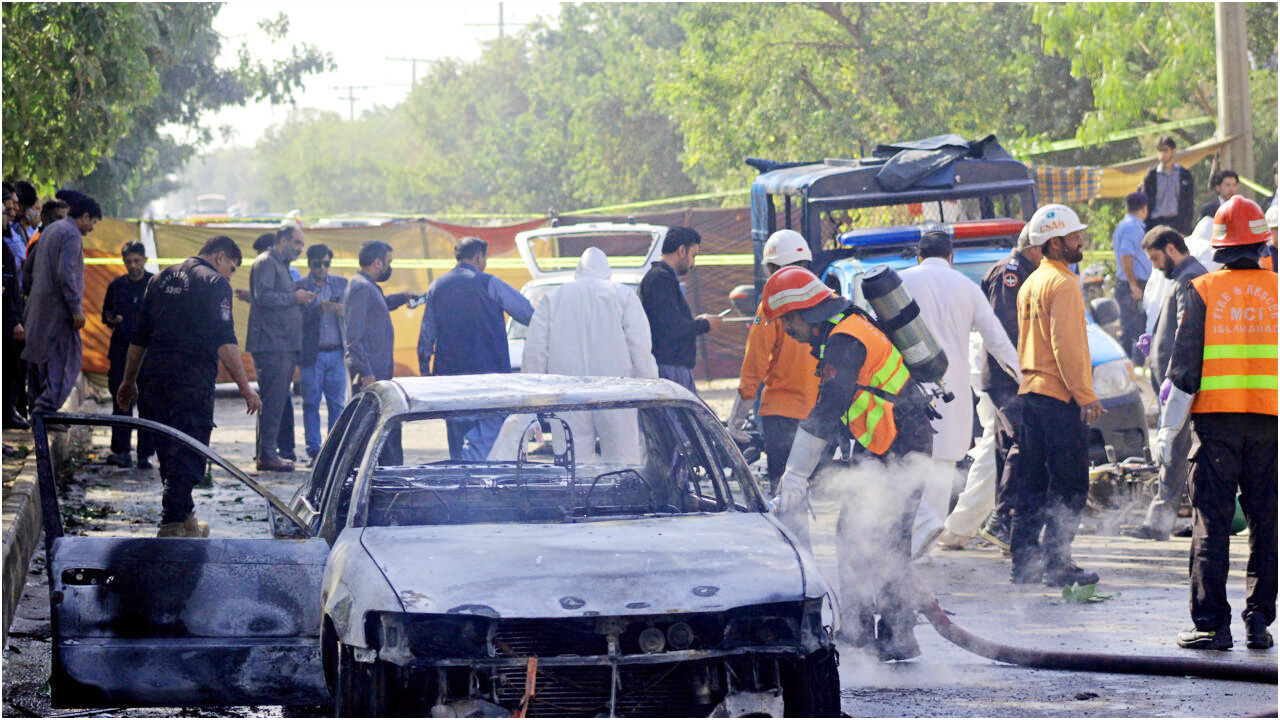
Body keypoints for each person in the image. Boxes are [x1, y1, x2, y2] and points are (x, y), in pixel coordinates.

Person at [761, 266, 935, 661]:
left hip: (898, 444)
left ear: (804, 311)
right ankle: (880, 634)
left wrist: (796, 475)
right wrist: (818, 469)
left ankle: (876, 635)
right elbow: (844, 413)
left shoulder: (844, 339)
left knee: (872, 538)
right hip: (888, 442)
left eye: (786, 320)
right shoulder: (845, 328)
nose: (786, 329)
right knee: (869, 536)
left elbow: (827, 408)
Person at [1157, 195, 1276, 651]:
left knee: (1212, 521)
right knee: (1266, 522)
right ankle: (1259, 621)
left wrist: (1168, 430)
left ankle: (1211, 625)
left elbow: (1183, 370)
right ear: (1261, 242)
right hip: (1268, 424)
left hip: (1216, 427)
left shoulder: (1202, 289)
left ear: (1220, 247)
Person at [115, 235, 262, 538]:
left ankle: (185, 519)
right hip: (190, 378)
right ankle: (172, 522)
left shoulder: (158, 279)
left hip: (153, 377)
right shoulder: (215, 283)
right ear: (221, 257)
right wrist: (246, 387)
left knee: (168, 448)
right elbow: (225, 339)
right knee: (189, 447)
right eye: (231, 268)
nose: (229, 275)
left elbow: (139, 336)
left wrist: (128, 381)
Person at [899, 230, 1021, 553]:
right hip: (952, 396)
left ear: (918, 256)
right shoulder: (967, 288)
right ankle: (921, 550)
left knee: (907, 471)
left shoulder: (900, 283)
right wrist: (1025, 378)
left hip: (905, 393)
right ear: (951, 258)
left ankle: (902, 550)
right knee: (940, 472)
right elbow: (998, 342)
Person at [1009, 204, 1105, 587]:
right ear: (1055, 242)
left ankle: (1024, 562)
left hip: (1032, 394)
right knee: (1069, 484)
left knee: (1031, 482)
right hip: (1059, 398)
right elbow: (1067, 347)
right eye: (1074, 236)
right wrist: (1085, 395)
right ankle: (1057, 564)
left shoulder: (1032, 282)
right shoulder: (1063, 284)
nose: (1080, 240)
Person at [935, 226, 1042, 551]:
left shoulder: (1022, 272)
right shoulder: (1008, 274)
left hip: (1008, 373)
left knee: (1000, 449)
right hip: (1005, 375)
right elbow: (1005, 333)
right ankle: (992, 521)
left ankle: (987, 524)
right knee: (1012, 448)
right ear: (1035, 247)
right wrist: (1024, 376)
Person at [522, 247, 657, 462]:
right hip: (617, 393)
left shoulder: (553, 298)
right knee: (623, 460)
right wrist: (649, 390)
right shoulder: (622, 295)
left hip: (567, 395)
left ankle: (579, 496)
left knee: (573, 464)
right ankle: (620, 496)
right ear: (607, 272)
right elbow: (640, 347)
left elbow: (534, 351)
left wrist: (533, 397)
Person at [1127, 227, 1208, 541]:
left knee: (1174, 451)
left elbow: (1185, 336)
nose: (1156, 266)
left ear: (1173, 248)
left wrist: (1172, 381)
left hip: (1181, 385)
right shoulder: (1182, 278)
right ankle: (1172, 520)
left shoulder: (1190, 278)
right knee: (1175, 452)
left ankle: (1160, 522)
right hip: (1176, 382)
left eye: (1157, 258)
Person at [418, 236, 533, 460]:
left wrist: (427, 373)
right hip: (489, 378)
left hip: (450, 379)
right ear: (480, 257)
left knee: (456, 442)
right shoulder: (490, 283)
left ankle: (460, 488)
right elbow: (527, 314)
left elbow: (426, 336)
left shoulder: (437, 286)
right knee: (488, 444)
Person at [729, 229, 819, 491]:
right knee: (811, 486)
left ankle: (792, 533)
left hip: (781, 415)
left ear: (772, 267)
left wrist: (736, 420)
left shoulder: (771, 305)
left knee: (784, 491)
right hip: (820, 413)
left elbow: (755, 363)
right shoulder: (828, 299)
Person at [22, 192, 99, 414]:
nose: (92, 228)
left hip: (39, 310)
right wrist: (76, 310)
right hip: (60, 313)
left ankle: (40, 414)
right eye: (93, 222)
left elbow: (28, 270)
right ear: (85, 216)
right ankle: (46, 410)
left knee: (42, 363)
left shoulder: (51, 230)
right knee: (67, 361)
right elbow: (67, 274)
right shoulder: (71, 235)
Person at [245, 225, 313, 472]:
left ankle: (267, 452)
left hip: (282, 344)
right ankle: (267, 455)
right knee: (272, 402)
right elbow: (263, 298)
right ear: (282, 240)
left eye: (301, 244)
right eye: (296, 243)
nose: (299, 249)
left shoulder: (280, 265)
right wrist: (295, 298)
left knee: (275, 402)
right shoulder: (266, 262)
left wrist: (299, 298)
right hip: (272, 345)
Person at [344, 240, 411, 462]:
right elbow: (354, 337)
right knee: (371, 432)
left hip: (377, 371)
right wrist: (365, 373)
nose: (389, 268)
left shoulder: (368, 286)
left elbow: (379, 305)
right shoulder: (361, 287)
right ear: (377, 262)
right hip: (371, 375)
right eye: (388, 262)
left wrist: (402, 298)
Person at [638, 226, 723, 395]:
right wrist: (704, 324)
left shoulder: (662, 278)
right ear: (682, 250)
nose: (693, 264)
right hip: (669, 371)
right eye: (693, 256)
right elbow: (672, 328)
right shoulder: (659, 279)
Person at [101, 242, 155, 469]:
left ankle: (145, 454)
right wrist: (113, 319)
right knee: (121, 401)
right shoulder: (117, 286)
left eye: (136, 261)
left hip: (148, 356)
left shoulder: (155, 284)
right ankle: (122, 450)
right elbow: (106, 314)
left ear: (144, 260)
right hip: (121, 352)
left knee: (148, 404)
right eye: (128, 261)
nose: (133, 266)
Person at [296, 243, 347, 465]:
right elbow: (294, 319)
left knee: (337, 405)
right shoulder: (299, 287)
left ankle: (333, 450)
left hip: (336, 352)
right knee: (311, 403)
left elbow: (355, 311)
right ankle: (315, 451)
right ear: (310, 264)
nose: (322, 268)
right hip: (311, 354)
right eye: (318, 264)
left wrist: (341, 310)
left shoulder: (341, 284)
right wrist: (317, 310)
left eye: (326, 264)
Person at [1113, 191, 1153, 366]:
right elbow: (1126, 254)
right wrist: (1133, 285)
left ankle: (1129, 368)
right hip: (1133, 284)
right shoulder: (1133, 227)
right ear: (1144, 209)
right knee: (1137, 330)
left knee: (1129, 329)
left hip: (1129, 283)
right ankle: (1134, 370)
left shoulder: (1123, 225)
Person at [2, 184, 28, 429]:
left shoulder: (10, 239)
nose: (10, 213)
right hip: (8, 318)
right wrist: (14, 320)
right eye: (6, 210)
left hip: (13, 311)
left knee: (13, 368)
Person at [1141, 136, 1195, 235]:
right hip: (1155, 224)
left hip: (1177, 224)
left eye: (1165, 150)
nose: (1162, 154)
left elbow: (1189, 204)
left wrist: (1185, 229)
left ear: (1173, 151)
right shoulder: (1151, 176)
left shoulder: (1184, 175)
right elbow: (1145, 202)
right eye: (1160, 151)